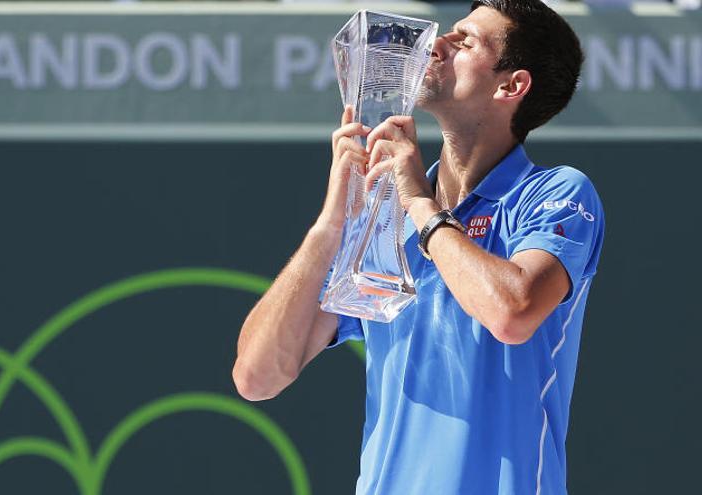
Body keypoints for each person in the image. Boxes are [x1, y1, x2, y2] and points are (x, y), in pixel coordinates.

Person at [232, 0, 604, 493]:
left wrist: (418, 205)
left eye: (465, 40)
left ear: (510, 85)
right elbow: (258, 377)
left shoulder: (557, 192)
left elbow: (513, 313)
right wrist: (332, 222)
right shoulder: (384, 220)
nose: (437, 44)